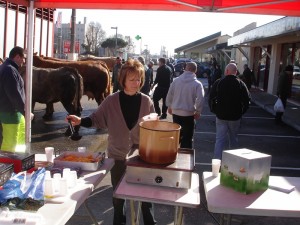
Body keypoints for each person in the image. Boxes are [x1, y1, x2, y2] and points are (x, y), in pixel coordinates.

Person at [67, 59, 156, 225]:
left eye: (138, 79)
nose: (136, 83)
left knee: (146, 196)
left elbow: (154, 126)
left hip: (141, 157)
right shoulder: (111, 101)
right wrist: (80, 121)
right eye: (132, 79)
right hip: (118, 156)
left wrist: (154, 123)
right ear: (123, 80)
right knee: (118, 196)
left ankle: (150, 222)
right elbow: (96, 119)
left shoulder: (146, 101)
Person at [209, 63, 251, 160]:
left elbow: (211, 99)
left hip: (221, 116)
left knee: (219, 140)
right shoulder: (241, 84)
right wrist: (241, 112)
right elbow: (247, 101)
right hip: (235, 117)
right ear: (235, 72)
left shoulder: (219, 82)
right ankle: (233, 162)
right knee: (233, 140)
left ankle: (217, 162)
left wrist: (215, 110)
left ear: (226, 71)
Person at [166, 62, 205, 148]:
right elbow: (200, 98)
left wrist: (169, 105)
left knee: (176, 136)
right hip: (189, 114)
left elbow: (170, 94)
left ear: (185, 69)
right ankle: (185, 158)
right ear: (195, 71)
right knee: (187, 138)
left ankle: (174, 154)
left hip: (176, 112)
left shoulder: (176, 81)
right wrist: (198, 111)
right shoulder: (197, 84)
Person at [0, 46, 26, 152]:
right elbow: (14, 94)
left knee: (18, 140)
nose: (24, 61)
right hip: (10, 112)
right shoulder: (9, 70)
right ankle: (7, 165)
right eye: (23, 58)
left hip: (14, 112)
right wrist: (24, 110)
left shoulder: (9, 68)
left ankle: (19, 161)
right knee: (10, 142)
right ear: (17, 56)